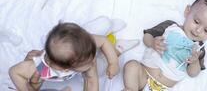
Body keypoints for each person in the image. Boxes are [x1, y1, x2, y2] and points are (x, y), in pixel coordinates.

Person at [123, 0, 207, 91]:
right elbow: (147, 36)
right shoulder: (170, 26)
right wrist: (152, 43)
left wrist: (194, 62)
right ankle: (131, 89)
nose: (198, 30)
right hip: (144, 74)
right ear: (187, 11)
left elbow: (193, 73)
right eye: (196, 22)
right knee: (131, 65)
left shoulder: (198, 49)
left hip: (163, 88)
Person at [9, 18, 139, 91]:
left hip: (81, 41)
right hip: (71, 50)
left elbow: (91, 81)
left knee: (100, 66)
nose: (92, 59)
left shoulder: (86, 44)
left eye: (91, 55)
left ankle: (113, 42)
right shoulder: (41, 68)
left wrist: (113, 62)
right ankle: (117, 47)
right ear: (66, 68)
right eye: (87, 60)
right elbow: (14, 72)